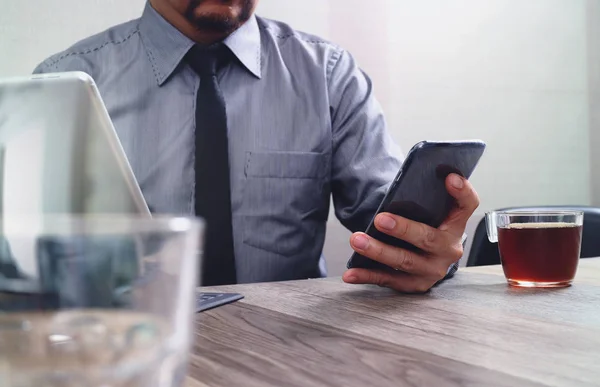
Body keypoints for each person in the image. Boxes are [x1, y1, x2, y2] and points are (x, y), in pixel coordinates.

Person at [34, 0, 480, 292]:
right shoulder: (65, 85)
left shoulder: (328, 74)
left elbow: (390, 224)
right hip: (128, 353)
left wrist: (429, 251)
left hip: (291, 356)